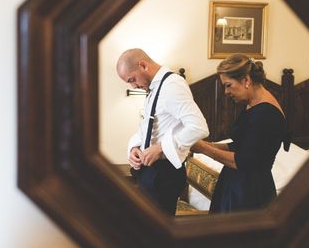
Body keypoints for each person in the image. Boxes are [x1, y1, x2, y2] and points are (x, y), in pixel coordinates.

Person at [190, 54, 287, 213]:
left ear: (246, 80)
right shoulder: (253, 104)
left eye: (228, 85)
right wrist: (208, 144)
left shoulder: (266, 113)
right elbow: (241, 145)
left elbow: (243, 161)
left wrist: (203, 148)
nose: (226, 92)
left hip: (249, 193)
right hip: (237, 183)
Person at [117, 48, 209, 215]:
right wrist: (134, 148)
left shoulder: (172, 85)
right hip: (150, 173)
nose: (133, 86)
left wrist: (160, 147)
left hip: (163, 175)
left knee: (157, 234)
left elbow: (198, 126)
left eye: (132, 79)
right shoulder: (154, 88)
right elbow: (146, 128)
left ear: (143, 65)